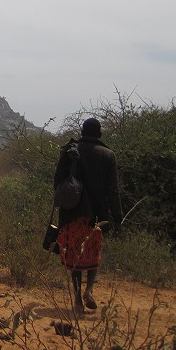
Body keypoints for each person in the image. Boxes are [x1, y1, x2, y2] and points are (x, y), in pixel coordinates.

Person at [53, 118, 122, 314]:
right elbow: (113, 190)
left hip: (72, 213)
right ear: (99, 134)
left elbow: (57, 181)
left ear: (82, 132)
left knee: (74, 252)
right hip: (97, 215)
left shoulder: (69, 151)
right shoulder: (108, 155)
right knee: (93, 252)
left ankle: (76, 298)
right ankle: (89, 290)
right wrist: (117, 218)